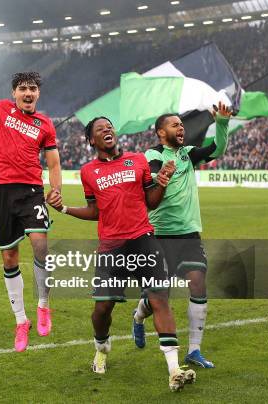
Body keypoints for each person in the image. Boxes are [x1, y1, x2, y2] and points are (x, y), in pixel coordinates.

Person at [47, 116, 196, 391]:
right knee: (102, 309)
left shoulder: (137, 160)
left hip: (143, 240)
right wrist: (64, 209)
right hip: (111, 248)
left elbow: (151, 201)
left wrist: (161, 182)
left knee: (160, 299)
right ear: (92, 140)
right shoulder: (88, 171)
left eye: (110, 127)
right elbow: (95, 211)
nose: (108, 130)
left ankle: (174, 369)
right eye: (100, 129)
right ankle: (101, 348)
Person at [0, 72, 61, 352]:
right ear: (14, 93)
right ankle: (21, 321)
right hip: (2, 192)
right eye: (22, 89)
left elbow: (53, 164)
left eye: (32, 89)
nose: (28, 93)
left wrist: (56, 189)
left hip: (31, 191)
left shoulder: (45, 124)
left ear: (38, 94)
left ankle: (43, 305)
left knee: (41, 247)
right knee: (9, 257)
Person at [132, 102, 232, 369]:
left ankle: (194, 351)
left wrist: (221, 123)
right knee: (157, 297)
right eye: (175, 124)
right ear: (161, 132)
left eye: (182, 125)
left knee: (198, 283)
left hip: (189, 234)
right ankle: (138, 317)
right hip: (159, 235)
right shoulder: (152, 155)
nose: (181, 128)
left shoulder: (188, 154)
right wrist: (160, 176)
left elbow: (218, 149)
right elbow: (150, 179)